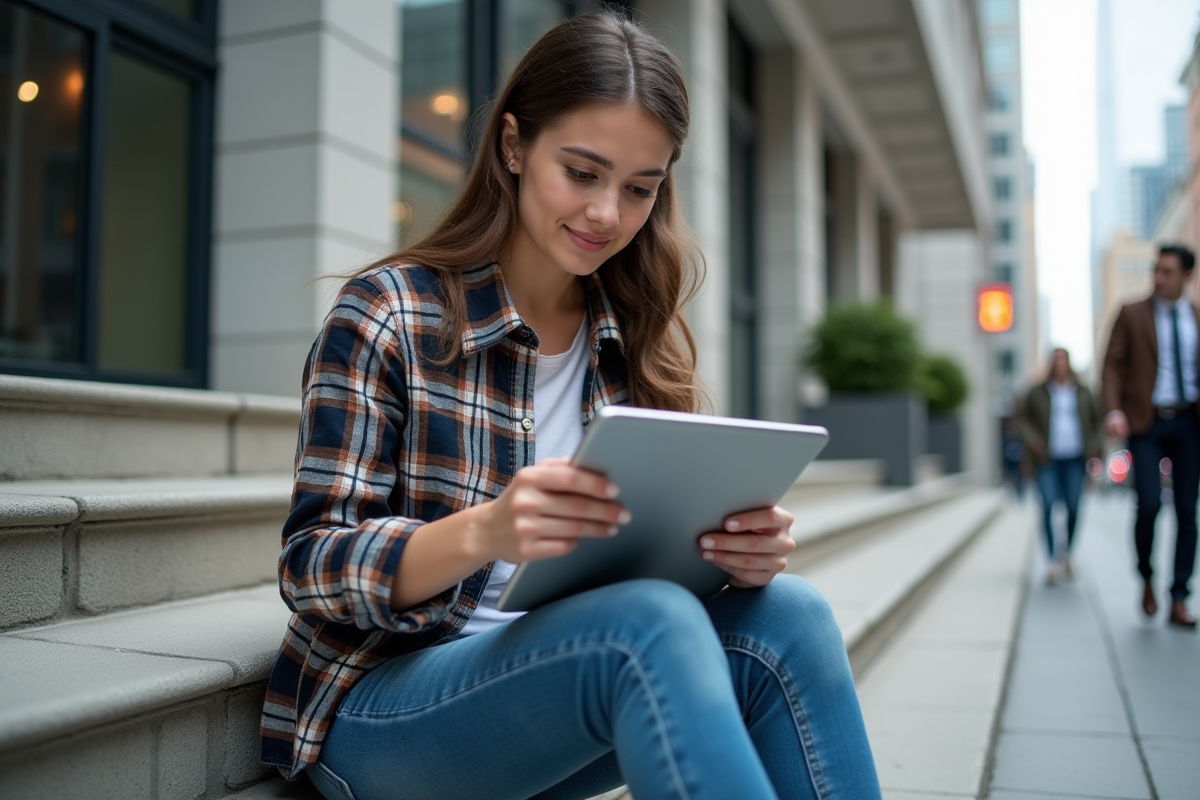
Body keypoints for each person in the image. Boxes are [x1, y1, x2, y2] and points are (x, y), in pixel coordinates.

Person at [258, 13, 883, 800]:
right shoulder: (390, 313)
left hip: (556, 699)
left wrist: (731, 556)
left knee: (790, 613)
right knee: (646, 625)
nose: (607, 215)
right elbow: (311, 567)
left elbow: (645, 578)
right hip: (382, 711)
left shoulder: (633, 341)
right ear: (514, 146)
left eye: (639, 189)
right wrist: (486, 531)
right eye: (582, 173)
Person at [1102, 243, 1200, 629]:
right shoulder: (1132, 313)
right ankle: (1146, 575)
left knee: (1187, 511)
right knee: (1149, 504)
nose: (1158, 278)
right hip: (1146, 423)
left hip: (1189, 423)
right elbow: (1112, 364)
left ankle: (1179, 596)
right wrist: (1114, 410)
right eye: (1156, 270)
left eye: (1167, 272)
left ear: (1187, 276)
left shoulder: (1195, 316)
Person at [1020, 348, 1103, 582]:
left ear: (1069, 363)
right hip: (1047, 458)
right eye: (1056, 361)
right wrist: (1034, 442)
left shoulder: (1083, 392)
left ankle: (1067, 552)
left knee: (1074, 507)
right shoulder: (1038, 392)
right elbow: (1022, 420)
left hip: (1075, 457)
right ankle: (1051, 559)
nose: (1060, 365)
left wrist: (1094, 445)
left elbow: (1098, 421)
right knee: (1047, 505)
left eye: (1063, 360)